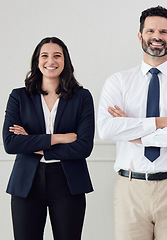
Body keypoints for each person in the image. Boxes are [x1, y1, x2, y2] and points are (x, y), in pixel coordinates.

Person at [97, 6, 167, 240]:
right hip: (130, 187)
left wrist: (133, 129)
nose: (157, 37)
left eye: (164, 32)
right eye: (151, 31)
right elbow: (107, 129)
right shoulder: (118, 81)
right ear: (140, 36)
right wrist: (162, 122)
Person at [2, 37, 94, 239]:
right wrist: (59, 138)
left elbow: (84, 147)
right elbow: (11, 143)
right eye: (44, 55)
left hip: (68, 182)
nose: (50, 61)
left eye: (57, 56)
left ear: (65, 61)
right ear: (37, 61)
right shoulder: (19, 97)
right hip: (27, 183)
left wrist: (33, 142)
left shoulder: (82, 97)